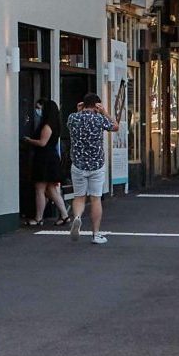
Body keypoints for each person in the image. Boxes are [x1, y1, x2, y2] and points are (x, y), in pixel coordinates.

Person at [64, 92, 115, 245]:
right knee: (95, 198)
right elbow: (115, 126)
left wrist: (79, 111)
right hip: (96, 165)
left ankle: (78, 217)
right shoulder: (99, 119)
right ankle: (96, 234)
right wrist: (105, 112)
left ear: (83, 104)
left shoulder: (73, 117)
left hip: (78, 164)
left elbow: (71, 125)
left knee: (79, 196)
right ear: (97, 105)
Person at [24, 100, 70, 227]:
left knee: (40, 188)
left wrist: (29, 140)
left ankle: (38, 218)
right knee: (50, 189)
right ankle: (64, 215)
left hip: (44, 159)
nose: (38, 111)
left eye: (40, 108)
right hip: (51, 159)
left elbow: (42, 142)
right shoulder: (55, 124)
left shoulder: (46, 126)